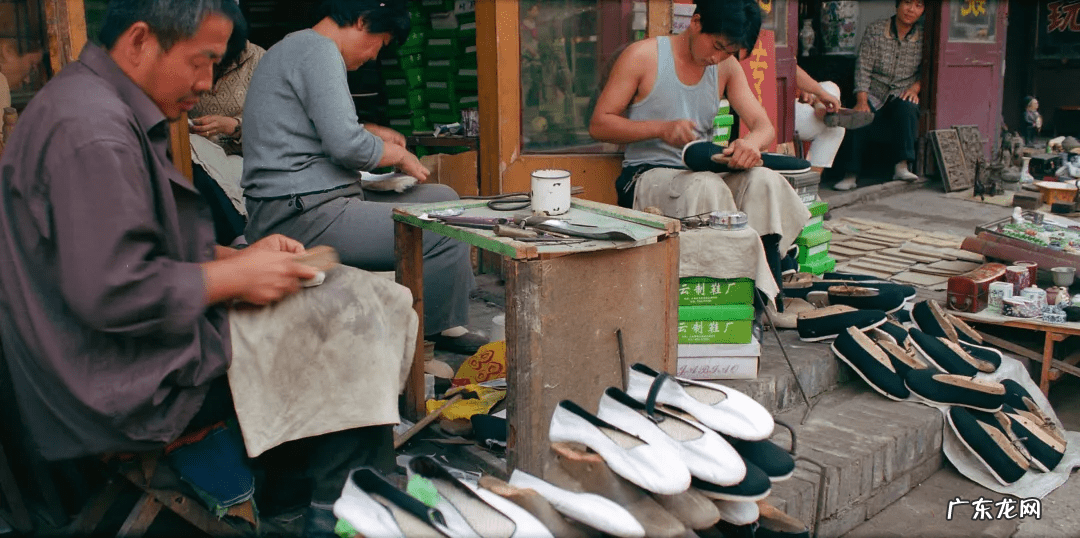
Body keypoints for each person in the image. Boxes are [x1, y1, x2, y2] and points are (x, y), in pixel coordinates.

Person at [0, 1, 406, 535]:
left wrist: (237, 258)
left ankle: (296, 493)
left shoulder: (90, 103)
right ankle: (340, 511)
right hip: (111, 383)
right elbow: (110, 289)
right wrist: (236, 278)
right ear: (140, 41)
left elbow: (121, 245)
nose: (207, 82)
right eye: (202, 61)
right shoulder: (91, 130)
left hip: (101, 356)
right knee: (346, 321)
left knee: (343, 296)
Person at [242, 0, 486, 355]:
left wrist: (372, 133)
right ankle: (421, 345)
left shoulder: (298, 47)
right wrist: (397, 155)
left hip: (312, 201)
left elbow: (320, 131)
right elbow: (346, 145)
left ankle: (443, 321)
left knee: (444, 198)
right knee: (443, 227)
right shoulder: (317, 50)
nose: (373, 57)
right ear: (361, 21)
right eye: (380, 43)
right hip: (301, 214)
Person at [590, 0, 809, 307]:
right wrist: (660, 129)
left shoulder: (725, 66)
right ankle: (723, 300)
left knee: (765, 182)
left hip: (702, 171)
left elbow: (764, 127)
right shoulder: (643, 57)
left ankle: (767, 296)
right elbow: (600, 124)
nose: (717, 58)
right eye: (717, 46)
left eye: (728, 52)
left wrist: (750, 144)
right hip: (645, 176)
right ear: (695, 22)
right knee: (706, 186)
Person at [832, 0, 925, 191]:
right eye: (907, 3)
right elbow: (863, 67)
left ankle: (901, 166)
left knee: (907, 108)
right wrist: (862, 99)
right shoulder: (876, 30)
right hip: (874, 90)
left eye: (918, 5)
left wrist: (915, 88)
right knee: (859, 114)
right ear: (897, 5)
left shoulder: (924, 36)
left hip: (901, 90)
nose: (911, 9)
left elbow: (929, 69)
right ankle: (850, 174)